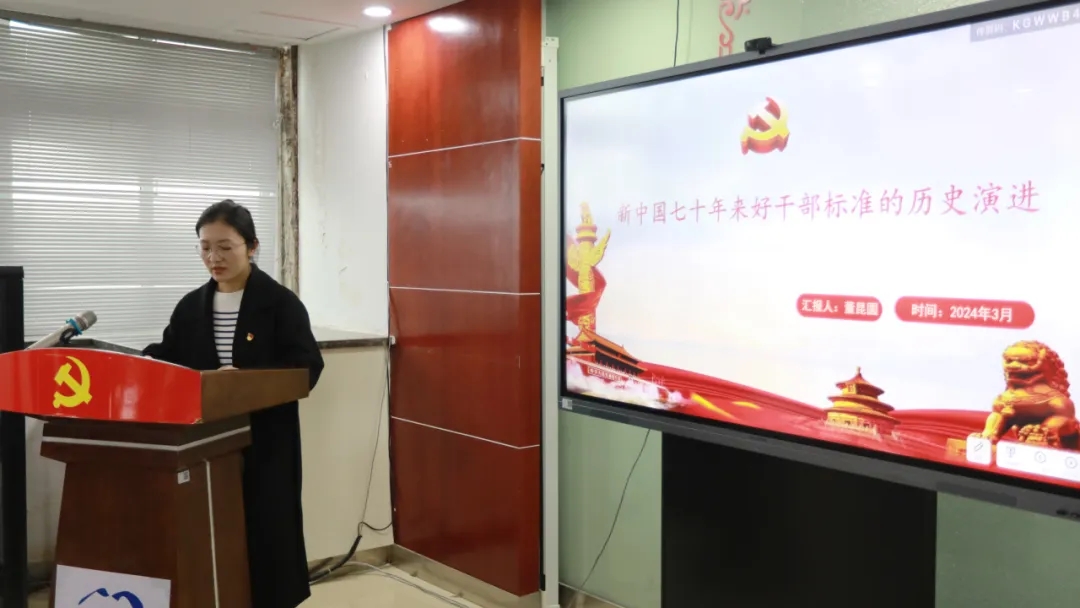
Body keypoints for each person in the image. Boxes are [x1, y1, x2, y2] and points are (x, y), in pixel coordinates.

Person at [144, 199, 324, 608]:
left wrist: (242, 383)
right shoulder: (191, 306)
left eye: (225, 247)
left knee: (267, 529)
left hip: (266, 437)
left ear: (252, 246)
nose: (214, 258)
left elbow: (306, 366)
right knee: (211, 530)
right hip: (205, 441)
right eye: (205, 247)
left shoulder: (280, 303)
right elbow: (170, 355)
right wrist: (144, 362)